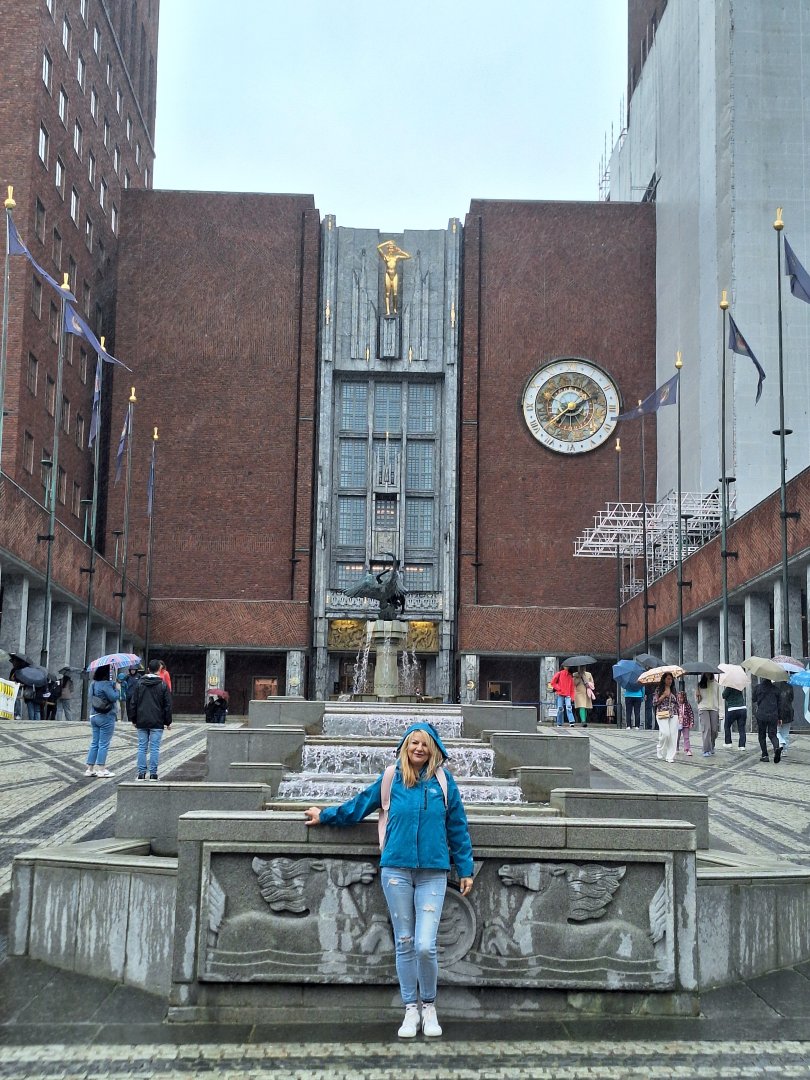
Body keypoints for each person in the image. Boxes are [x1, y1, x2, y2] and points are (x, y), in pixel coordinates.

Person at [304, 722, 473, 1040]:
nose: (419, 748)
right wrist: (324, 815)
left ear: (433, 748)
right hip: (396, 871)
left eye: (424, 744)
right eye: (414, 743)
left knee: (426, 946)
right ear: (405, 747)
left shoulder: (443, 781)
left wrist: (465, 868)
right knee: (405, 942)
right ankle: (410, 1008)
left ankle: (429, 1006)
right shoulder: (391, 778)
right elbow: (358, 807)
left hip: (433, 872)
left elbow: (458, 826)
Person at [130, 658, 173, 780]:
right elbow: (168, 705)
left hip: (142, 720)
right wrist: (167, 721)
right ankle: (153, 774)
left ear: (148, 669)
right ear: (160, 670)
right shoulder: (163, 685)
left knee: (142, 747)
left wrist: (133, 719)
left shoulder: (140, 684)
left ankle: (141, 774)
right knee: (154, 748)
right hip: (157, 721)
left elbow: (133, 703)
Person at [84, 666, 119, 778]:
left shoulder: (93, 684)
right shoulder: (106, 684)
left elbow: (90, 697)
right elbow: (114, 697)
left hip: (94, 715)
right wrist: (117, 689)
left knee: (95, 742)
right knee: (103, 743)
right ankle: (101, 769)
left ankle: (90, 769)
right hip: (106, 716)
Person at [752, 677, 782, 763]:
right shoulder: (776, 689)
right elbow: (779, 705)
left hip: (761, 715)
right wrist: (780, 717)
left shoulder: (758, 688)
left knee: (762, 735)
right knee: (772, 734)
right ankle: (776, 748)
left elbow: (753, 699)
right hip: (773, 715)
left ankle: (765, 755)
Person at [652, 672, 679, 763]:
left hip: (673, 713)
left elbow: (677, 703)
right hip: (662, 713)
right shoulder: (658, 689)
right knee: (665, 733)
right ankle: (659, 747)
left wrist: (680, 714)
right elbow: (655, 702)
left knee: (673, 735)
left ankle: (670, 756)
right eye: (668, 679)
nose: (670, 681)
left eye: (671, 679)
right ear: (664, 679)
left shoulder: (673, 689)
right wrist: (663, 695)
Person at [696, 674, 720, 756]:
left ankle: (712, 745)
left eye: (709, 673)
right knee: (707, 728)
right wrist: (697, 694)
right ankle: (706, 750)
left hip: (714, 708)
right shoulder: (699, 685)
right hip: (703, 708)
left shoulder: (716, 684)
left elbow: (720, 699)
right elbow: (697, 701)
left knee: (714, 730)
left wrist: (721, 713)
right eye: (706, 673)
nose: (708, 675)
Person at [722, 684, 747, 749]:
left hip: (732, 709)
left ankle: (728, 743)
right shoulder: (739, 686)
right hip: (742, 708)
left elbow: (723, 695)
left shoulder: (729, 686)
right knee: (741, 728)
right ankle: (742, 746)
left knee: (727, 726)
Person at [675, 689, 694, 756]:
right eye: (678, 698)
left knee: (686, 737)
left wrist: (691, 722)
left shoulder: (687, 705)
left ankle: (687, 749)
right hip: (677, 723)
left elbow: (691, 714)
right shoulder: (676, 705)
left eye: (681, 698)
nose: (680, 699)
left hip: (685, 723)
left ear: (684, 698)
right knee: (677, 737)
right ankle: (676, 748)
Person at [777, 681, 795, 753]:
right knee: (786, 733)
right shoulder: (790, 686)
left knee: (776, 731)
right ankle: (784, 751)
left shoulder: (774, 686)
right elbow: (791, 699)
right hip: (788, 712)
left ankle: (781, 742)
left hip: (777, 712)